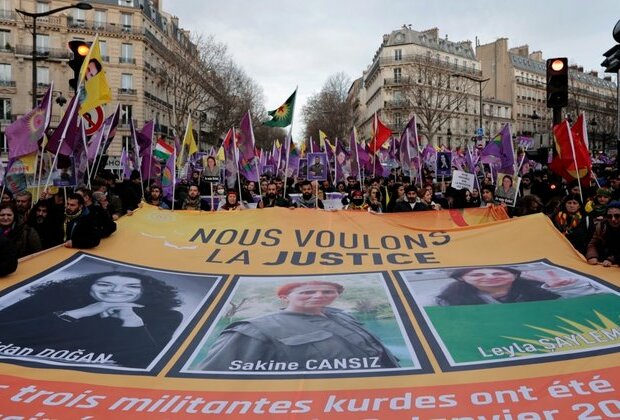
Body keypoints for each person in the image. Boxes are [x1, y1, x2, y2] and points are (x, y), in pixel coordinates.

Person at [197, 280, 400, 372]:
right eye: (307, 292)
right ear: (284, 297)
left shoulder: (344, 318)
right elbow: (212, 383)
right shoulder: (253, 330)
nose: (319, 296)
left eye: (327, 291)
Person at [0, 271, 182, 368]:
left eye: (132, 286)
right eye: (104, 284)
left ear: (143, 292)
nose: (116, 291)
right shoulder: (52, 300)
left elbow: (143, 362)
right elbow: (5, 330)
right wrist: (78, 313)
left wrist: (131, 320)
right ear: (88, 287)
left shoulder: (166, 316)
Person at [436, 267, 594, 306]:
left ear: (515, 275)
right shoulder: (446, 299)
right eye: (477, 275)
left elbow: (590, 298)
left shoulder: (544, 289)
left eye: (498, 273)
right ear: (462, 279)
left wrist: (563, 289)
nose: (490, 278)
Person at [586, 200, 620, 267]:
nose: (613, 219)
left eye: (617, 216)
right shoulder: (601, 226)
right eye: (609, 216)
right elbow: (592, 244)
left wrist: (611, 259)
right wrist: (592, 256)